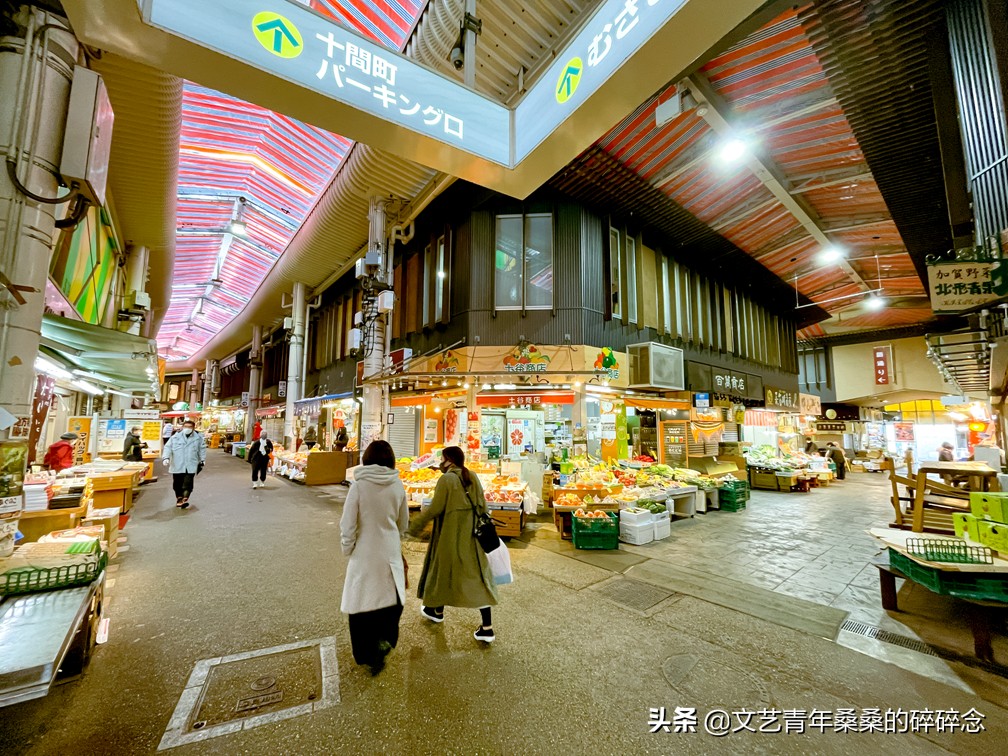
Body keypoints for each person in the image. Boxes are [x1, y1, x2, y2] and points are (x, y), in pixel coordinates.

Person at [408, 445, 499, 643]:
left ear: (449, 460)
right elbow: (483, 506)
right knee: (477, 578)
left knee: (443, 572)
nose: (440, 462)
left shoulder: (447, 479)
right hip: (473, 538)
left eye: (443, 458)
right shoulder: (472, 476)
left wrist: (414, 528)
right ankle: (486, 627)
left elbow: (435, 509)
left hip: (450, 537)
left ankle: (436, 610)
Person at [340, 440, 409, 675]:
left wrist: (347, 548)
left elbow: (348, 524)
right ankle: (384, 641)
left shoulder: (358, 486)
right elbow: (403, 524)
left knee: (362, 603)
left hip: (364, 552)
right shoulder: (397, 485)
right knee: (389, 600)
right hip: (389, 550)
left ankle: (366, 653)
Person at [162, 419, 206, 508]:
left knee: (188, 482)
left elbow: (202, 449)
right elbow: (167, 447)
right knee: (177, 483)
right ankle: (179, 497)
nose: (188, 428)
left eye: (190, 427)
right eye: (186, 427)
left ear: (193, 428)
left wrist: (202, 459)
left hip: (191, 463)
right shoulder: (175, 437)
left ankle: (185, 498)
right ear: (182, 427)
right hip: (177, 463)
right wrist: (165, 458)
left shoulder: (198, 438)